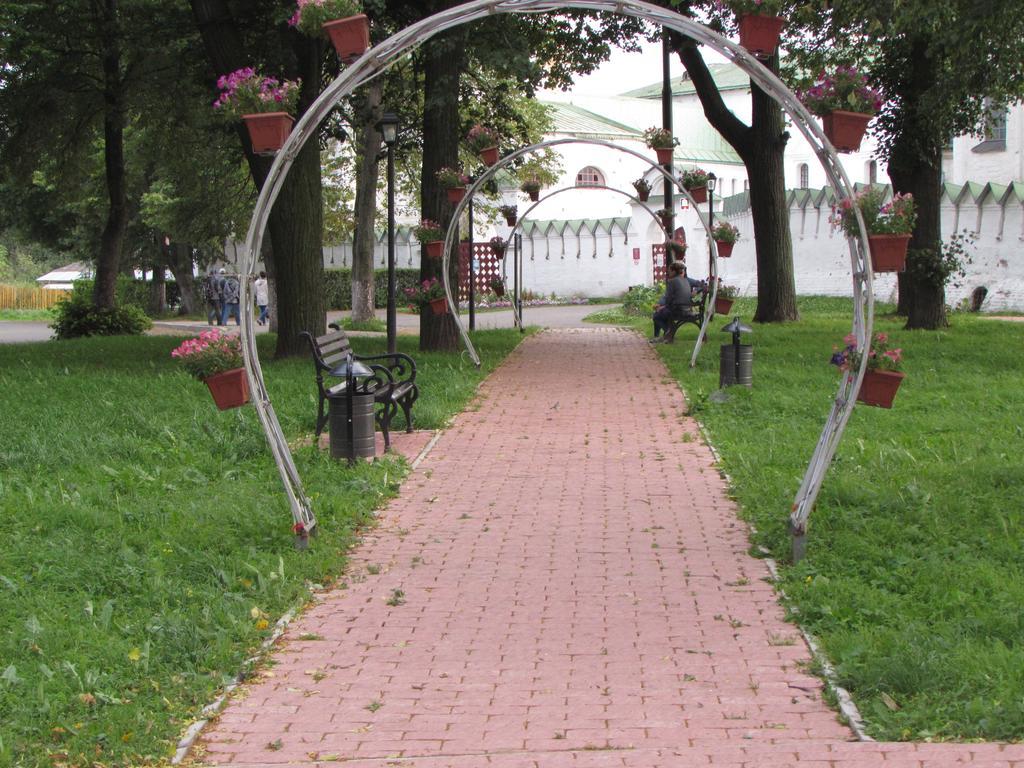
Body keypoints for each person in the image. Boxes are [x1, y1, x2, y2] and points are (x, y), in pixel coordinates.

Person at [651, 261, 693, 343]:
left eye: (669, 270)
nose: (668, 272)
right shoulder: (685, 280)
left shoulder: (672, 281)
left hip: (678, 310)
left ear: (674, 271)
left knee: (656, 315)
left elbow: (668, 299)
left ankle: (668, 332)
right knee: (662, 312)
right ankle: (665, 335)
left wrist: (661, 307)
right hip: (687, 309)